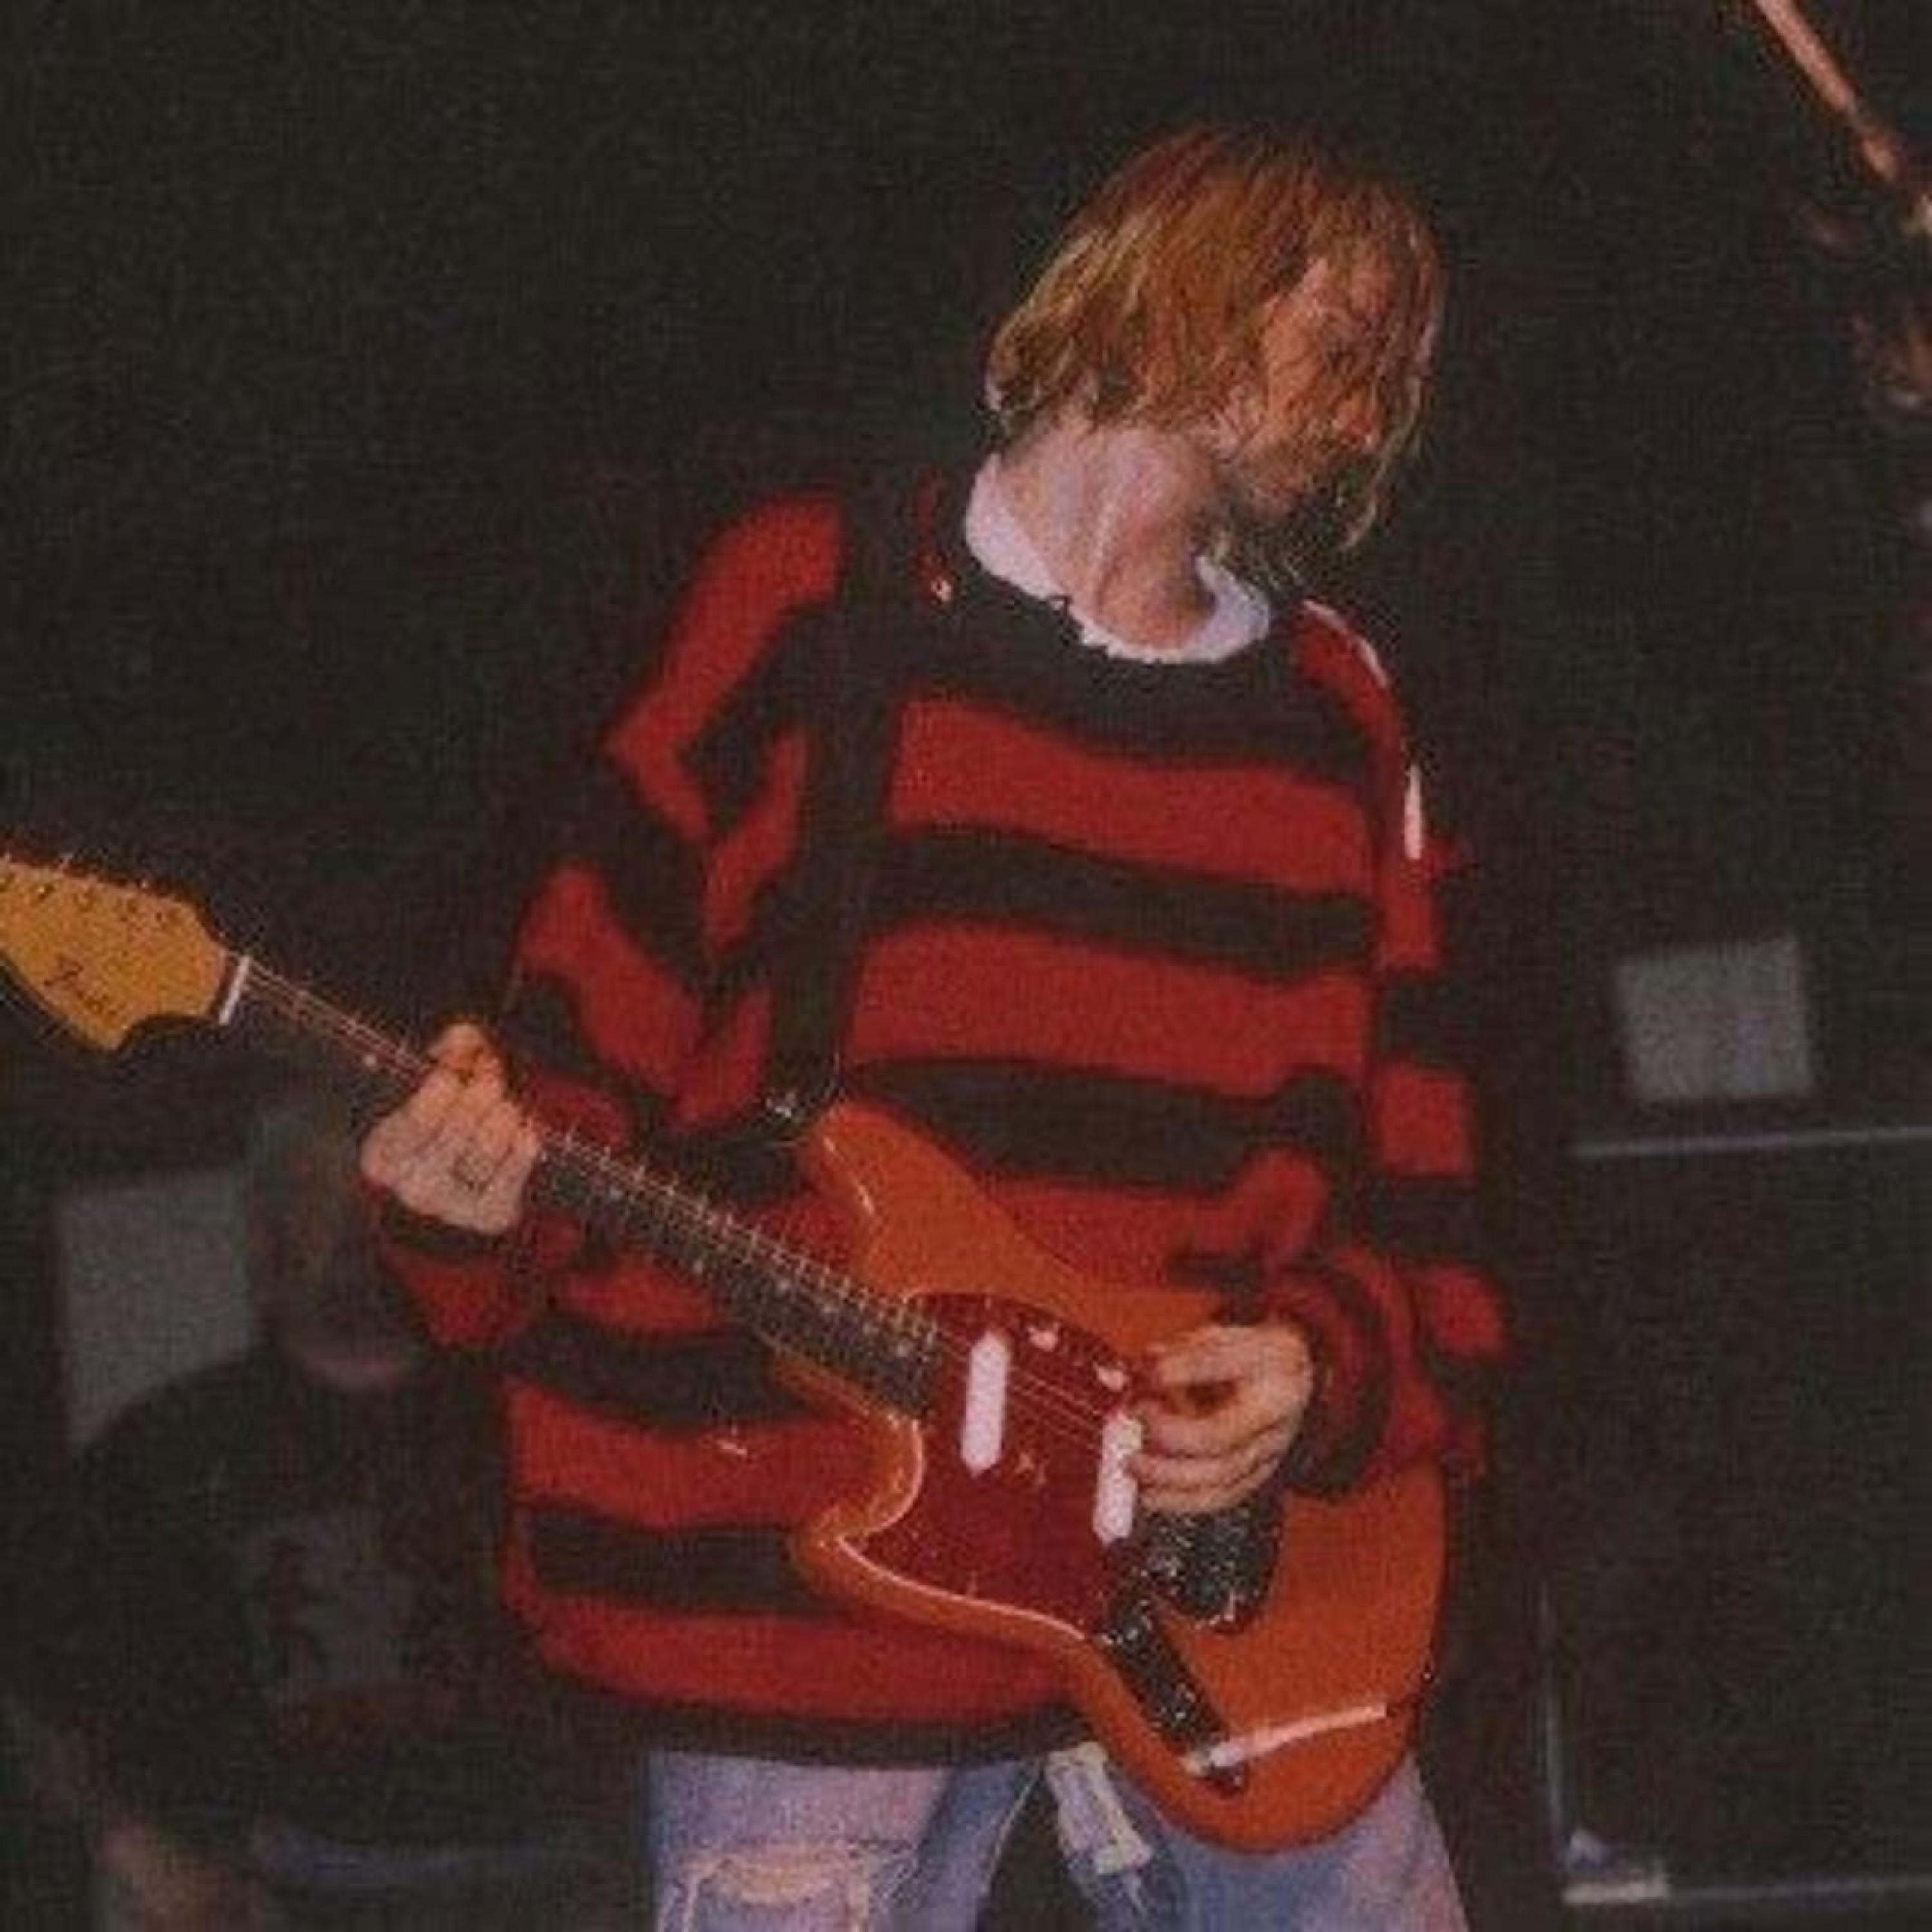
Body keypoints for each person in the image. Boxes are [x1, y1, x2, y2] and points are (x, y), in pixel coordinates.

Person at [361, 122, 1506, 1927]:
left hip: (1220, 1600)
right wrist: (456, 1202)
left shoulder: (1333, 716)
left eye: (1391, 380)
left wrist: (1318, 1371)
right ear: (1191, 272)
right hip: (810, 1600)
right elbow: (576, 1050)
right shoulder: (808, 603)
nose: (1365, 415)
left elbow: (1425, 1202)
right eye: (1343, 339)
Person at [7, 1092, 633, 1928]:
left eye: (376, 1201)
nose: (355, 1230)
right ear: (265, 1235)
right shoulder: (171, 1451)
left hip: (560, 1887)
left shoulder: (528, 1418)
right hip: (296, 1896)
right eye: (321, 1202)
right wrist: (134, 1845)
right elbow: (36, 1669)